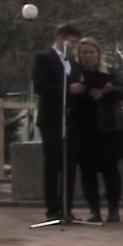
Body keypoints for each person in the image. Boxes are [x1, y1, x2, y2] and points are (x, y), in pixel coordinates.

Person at [66, 36, 123, 223]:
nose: (87, 56)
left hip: (108, 128)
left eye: (91, 52)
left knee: (110, 170)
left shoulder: (110, 70)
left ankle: (113, 209)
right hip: (84, 128)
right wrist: (75, 91)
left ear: (98, 54)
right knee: (87, 172)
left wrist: (106, 91)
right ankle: (94, 210)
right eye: (84, 53)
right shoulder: (73, 74)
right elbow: (66, 97)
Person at [30, 23, 81, 223]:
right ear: (60, 38)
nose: (74, 47)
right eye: (72, 42)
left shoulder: (74, 64)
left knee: (70, 164)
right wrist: (68, 89)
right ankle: (52, 207)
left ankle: (67, 207)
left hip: (71, 120)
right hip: (51, 119)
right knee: (53, 164)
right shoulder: (44, 59)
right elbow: (41, 86)